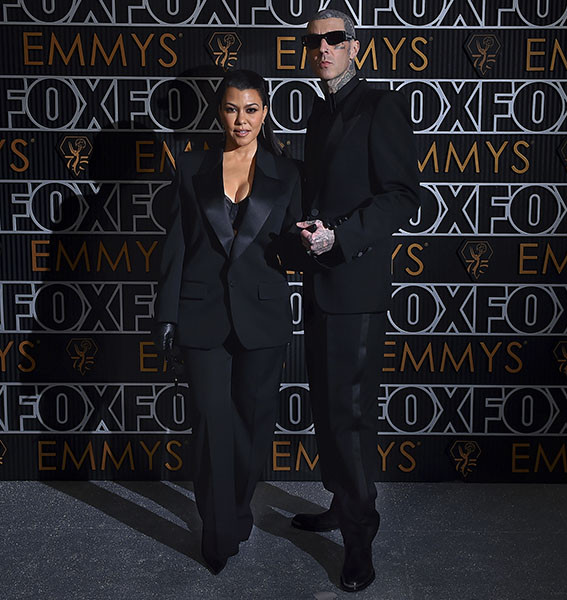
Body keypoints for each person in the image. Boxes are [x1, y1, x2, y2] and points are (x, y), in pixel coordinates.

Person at [291, 9, 421, 593]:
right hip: (319, 285)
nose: (324, 48)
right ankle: (343, 503)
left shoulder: (379, 105)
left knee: (350, 416)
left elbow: (401, 197)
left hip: (356, 286)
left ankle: (360, 537)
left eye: (335, 39)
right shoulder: (319, 110)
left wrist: (341, 238)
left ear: (355, 48)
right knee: (327, 406)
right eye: (314, 41)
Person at [153, 69, 303, 574]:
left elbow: (294, 245)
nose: (242, 120)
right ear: (220, 112)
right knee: (212, 424)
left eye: (252, 109)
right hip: (201, 314)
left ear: (265, 112)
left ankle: (238, 509)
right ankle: (216, 530)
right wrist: (166, 314)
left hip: (262, 315)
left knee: (254, 428)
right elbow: (176, 246)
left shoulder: (289, 172)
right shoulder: (192, 165)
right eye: (233, 108)